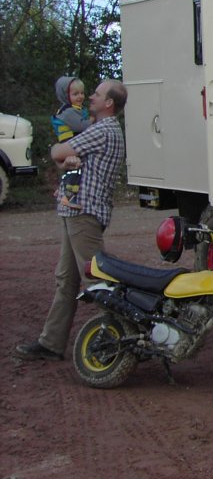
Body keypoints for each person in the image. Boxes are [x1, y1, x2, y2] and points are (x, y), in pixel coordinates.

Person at [15, 79, 127, 362]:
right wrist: (65, 159)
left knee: (96, 279)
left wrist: (62, 154)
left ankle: (121, 338)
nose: (90, 97)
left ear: (109, 103)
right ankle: (51, 343)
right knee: (66, 279)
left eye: (97, 94)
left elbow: (58, 152)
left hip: (83, 213)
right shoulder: (101, 129)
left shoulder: (102, 130)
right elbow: (64, 159)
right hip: (76, 212)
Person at [50, 76, 93, 208]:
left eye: (82, 93)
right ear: (65, 96)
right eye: (75, 94)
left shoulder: (73, 109)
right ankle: (68, 197)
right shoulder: (68, 112)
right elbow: (82, 126)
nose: (80, 96)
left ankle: (61, 189)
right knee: (76, 169)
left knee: (71, 170)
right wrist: (93, 119)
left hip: (70, 142)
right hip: (69, 143)